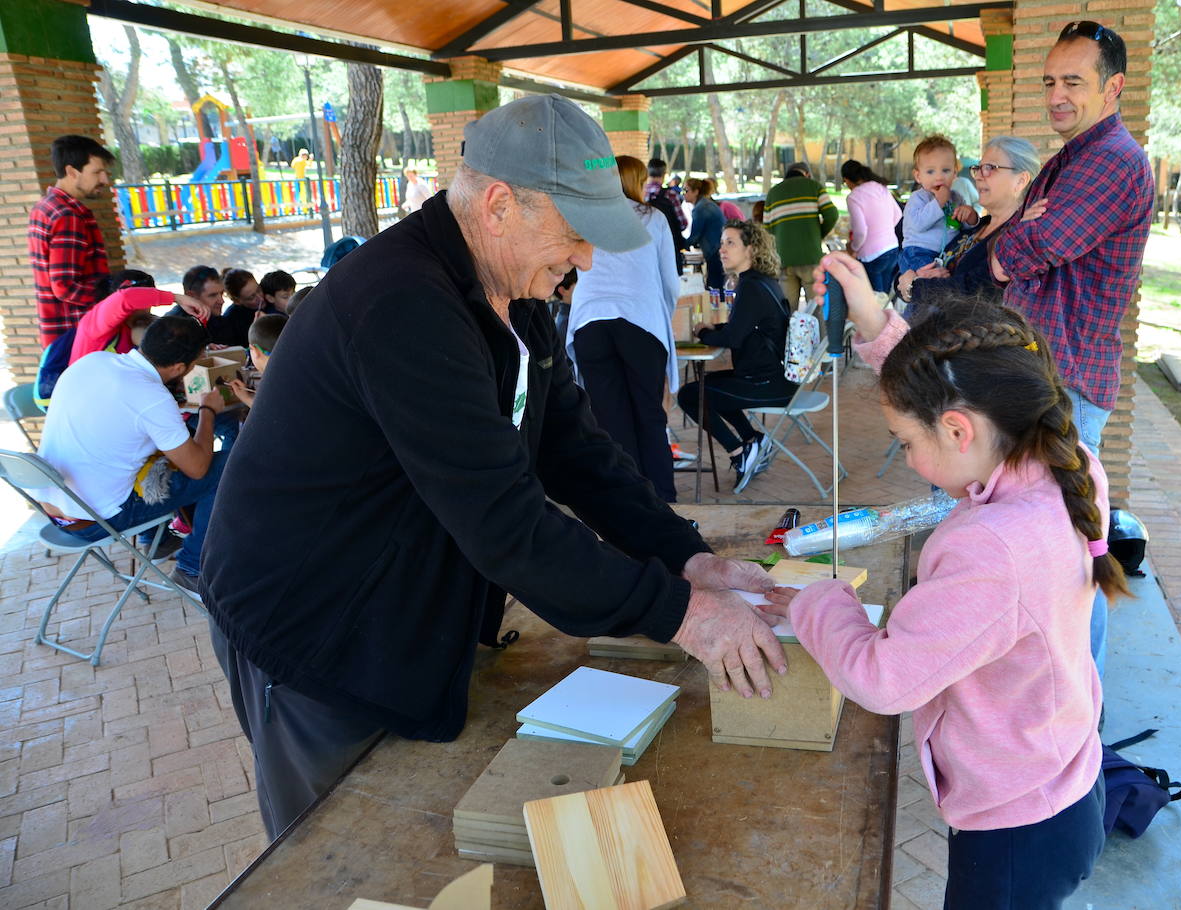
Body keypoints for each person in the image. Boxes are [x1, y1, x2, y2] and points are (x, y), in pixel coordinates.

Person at [199, 94, 790, 839]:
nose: (585, 261)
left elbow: (576, 452)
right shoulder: (403, 306)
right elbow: (506, 524)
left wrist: (687, 557)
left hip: (397, 605)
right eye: (575, 236)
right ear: (501, 205)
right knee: (344, 846)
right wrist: (684, 614)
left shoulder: (511, 292)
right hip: (316, 628)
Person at [783, 252, 1128, 909]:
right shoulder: (1067, 459)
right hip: (1061, 781)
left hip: (1015, 833)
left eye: (906, 442)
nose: (909, 458)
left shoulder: (991, 548)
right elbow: (952, 391)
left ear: (958, 430)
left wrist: (820, 598)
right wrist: (877, 324)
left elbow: (883, 680)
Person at [990, 21, 1154, 677]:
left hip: (1069, 387)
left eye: (1074, 82)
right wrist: (1014, 234)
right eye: (1050, 81)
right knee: (1050, 549)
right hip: (1044, 380)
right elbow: (1018, 234)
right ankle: (1056, 692)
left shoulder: (1112, 160)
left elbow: (1033, 246)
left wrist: (1007, 244)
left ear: (1113, 87)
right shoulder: (1074, 155)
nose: (1057, 95)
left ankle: (1080, 711)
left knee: (1070, 558)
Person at [37, 315, 229, 595]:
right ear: (179, 367)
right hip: (96, 521)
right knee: (227, 466)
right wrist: (208, 411)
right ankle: (191, 568)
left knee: (164, 455)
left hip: (56, 508)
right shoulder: (151, 396)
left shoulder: (93, 361)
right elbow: (197, 468)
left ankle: (160, 541)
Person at [567, 156, 680, 503]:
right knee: (649, 415)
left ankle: (629, 501)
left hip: (589, 322)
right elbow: (670, 282)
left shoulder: (585, 218)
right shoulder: (653, 218)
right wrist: (661, 317)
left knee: (610, 418)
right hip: (640, 321)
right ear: (637, 181)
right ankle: (663, 499)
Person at [677, 220, 795, 490]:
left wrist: (703, 333)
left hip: (767, 384)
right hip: (772, 376)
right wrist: (714, 329)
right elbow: (743, 327)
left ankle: (738, 451)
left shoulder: (751, 286)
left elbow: (733, 338)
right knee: (707, 387)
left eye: (730, 243)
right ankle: (753, 440)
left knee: (690, 395)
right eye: (722, 243)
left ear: (751, 249)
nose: (722, 249)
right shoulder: (760, 280)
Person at [898, 137, 1041, 310]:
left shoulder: (1015, 238)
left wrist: (913, 286)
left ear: (1020, 180)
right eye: (978, 168)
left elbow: (972, 290)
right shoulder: (980, 225)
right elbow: (902, 280)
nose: (978, 176)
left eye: (990, 168)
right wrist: (908, 279)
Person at [29, 135, 115, 348]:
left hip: (59, 334)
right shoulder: (68, 215)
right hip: (76, 335)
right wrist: (114, 298)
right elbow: (65, 287)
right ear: (71, 172)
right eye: (96, 172)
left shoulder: (44, 207)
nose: (105, 180)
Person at [71, 270, 208, 364]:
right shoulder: (96, 322)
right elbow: (125, 298)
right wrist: (177, 298)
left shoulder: (141, 323)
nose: (146, 308)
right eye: (143, 301)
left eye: (148, 303)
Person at [898, 135, 980, 280]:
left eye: (945, 170)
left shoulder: (956, 198)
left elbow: (964, 228)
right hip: (918, 252)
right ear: (918, 176)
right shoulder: (918, 198)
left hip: (947, 253)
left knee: (948, 278)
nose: (939, 177)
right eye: (930, 171)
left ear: (954, 174)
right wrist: (938, 203)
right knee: (934, 282)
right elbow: (917, 225)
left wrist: (970, 216)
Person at [762, 163, 838, 309]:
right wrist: (818, 235)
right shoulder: (814, 187)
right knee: (816, 309)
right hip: (810, 257)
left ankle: (790, 326)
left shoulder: (773, 193)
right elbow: (832, 215)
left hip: (784, 259)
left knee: (787, 310)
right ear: (807, 174)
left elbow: (767, 229)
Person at [841, 160, 903, 295]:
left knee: (875, 299)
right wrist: (884, 231)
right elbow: (898, 214)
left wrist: (853, 247)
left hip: (871, 255)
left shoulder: (854, 197)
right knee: (885, 297)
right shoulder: (881, 187)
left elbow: (860, 232)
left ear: (847, 180)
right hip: (892, 248)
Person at [167, 266, 248, 347]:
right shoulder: (171, 327)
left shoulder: (219, 321)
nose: (221, 301)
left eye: (222, 293)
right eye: (213, 295)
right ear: (191, 296)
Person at [228, 314, 287, 410]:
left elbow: (271, 413)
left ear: (254, 351)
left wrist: (246, 398)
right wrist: (247, 397)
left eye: (249, 350)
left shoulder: (272, 384)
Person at [644, 158, 686, 274]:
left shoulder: (639, 193)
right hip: (669, 249)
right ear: (664, 173)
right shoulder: (670, 194)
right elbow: (683, 223)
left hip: (646, 250)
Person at [684, 178, 726, 291]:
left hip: (715, 251)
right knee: (716, 285)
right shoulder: (706, 204)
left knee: (715, 287)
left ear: (696, 192)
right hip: (718, 250)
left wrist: (679, 245)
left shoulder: (701, 209)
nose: (683, 194)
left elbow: (694, 236)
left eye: (686, 190)